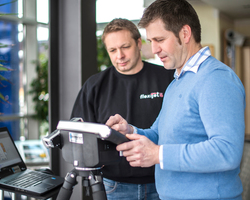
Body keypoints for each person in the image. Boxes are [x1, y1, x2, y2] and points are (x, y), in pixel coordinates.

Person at [106, 1, 246, 200]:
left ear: (185, 34)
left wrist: (158, 155)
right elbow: (159, 134)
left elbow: (226, 152)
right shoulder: (177, 81)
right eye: (151, 41)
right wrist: (131, 131)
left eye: (160, 39)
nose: (154, 49)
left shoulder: (216, 78)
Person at [71, 18, 174, 200]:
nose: (120, 55)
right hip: (114, 187)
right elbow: (79, 133)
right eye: (113, 50)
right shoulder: (95, 86)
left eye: (125, 47)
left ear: (139, 43)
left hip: (164, 183)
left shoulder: (167, 78)